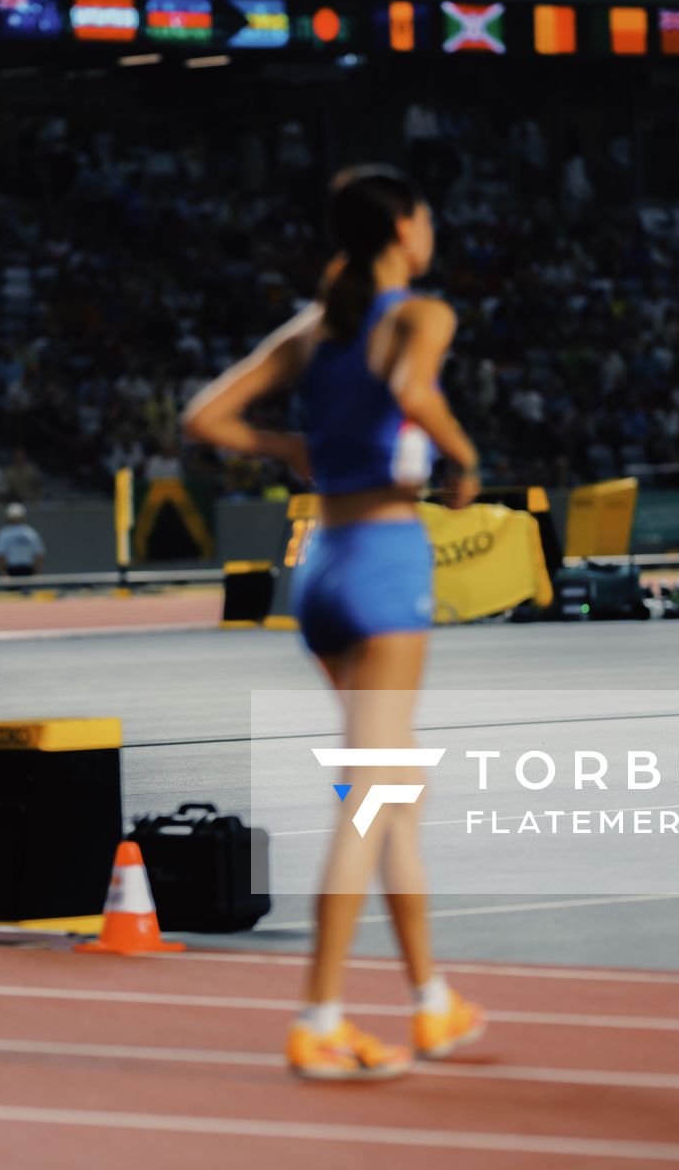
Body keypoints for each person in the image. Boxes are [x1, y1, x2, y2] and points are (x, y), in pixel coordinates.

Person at [183, 166, 485, 1082]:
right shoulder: (421, 315)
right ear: (403, 229)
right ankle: (318, 1016)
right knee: (370, 798)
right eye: (426, 218)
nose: (431, 231)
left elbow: (204, 417)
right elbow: (412, 387)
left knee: (392, 792)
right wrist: (465, 459)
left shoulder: (312, 329)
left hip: (320, 567)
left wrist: (286, 447)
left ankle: (431, 999)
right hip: (388, 559)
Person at [0, 502, 45, 578]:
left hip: (26, 570)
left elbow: (39, 554)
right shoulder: (30, 532)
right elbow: (0, 555)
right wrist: (3, 572)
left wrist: (36, 572)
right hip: (12, 571)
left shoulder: (29, 532)